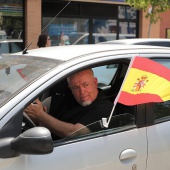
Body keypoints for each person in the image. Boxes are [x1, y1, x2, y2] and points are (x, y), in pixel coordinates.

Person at [24, 69, 113, 139]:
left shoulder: (104, 107)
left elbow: (76, 133)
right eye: (76, 87)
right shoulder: (65, 100)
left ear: (95, 82)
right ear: (70, 89)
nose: (82, 92)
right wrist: (39, 120)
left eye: (85, 85)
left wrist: (41, 115)